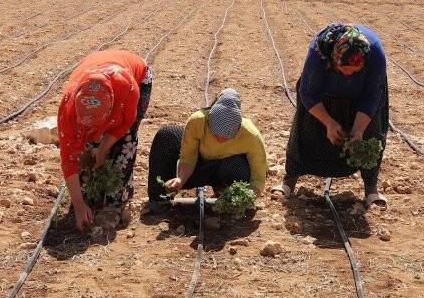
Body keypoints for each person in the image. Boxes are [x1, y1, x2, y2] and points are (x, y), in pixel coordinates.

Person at [273, 23, 389, 206]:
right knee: (304, 130)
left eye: (354, 70)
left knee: (370, 134)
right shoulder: (319, 51)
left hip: (360, 97)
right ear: (335, 58)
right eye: (344, 68)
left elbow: (372, 96)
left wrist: (358, 130)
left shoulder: (374, 54)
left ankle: (371, 189)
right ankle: (289, 180)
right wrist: (328, 122)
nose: (348, 74)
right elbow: (308, 94)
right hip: (323, 95)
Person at [57, 50, 152, 230]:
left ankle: (116, 202)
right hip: (94, 68)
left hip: (136, 76)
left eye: (96, 126)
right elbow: (68, 156)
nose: (90, 131)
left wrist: (103, 149)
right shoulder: (68, 107)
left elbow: (126, 123)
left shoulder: (128, 90)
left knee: (126, 142)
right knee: (85, 147)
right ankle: (87, 195)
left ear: (109, 113)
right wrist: (78, 204)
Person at [147, 88, 267, 209]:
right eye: (215, 134)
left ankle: (225, 194)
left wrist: (247, 197)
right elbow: (188, 157)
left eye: (226, 137)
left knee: (241, 165)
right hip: (196, 168)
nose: (220, 139)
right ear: (209, 118)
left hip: (224, 172)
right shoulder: (197, 121)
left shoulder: (251, 135)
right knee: (167, 134)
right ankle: (160, 199)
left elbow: (258, 177)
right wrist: (180, 179)